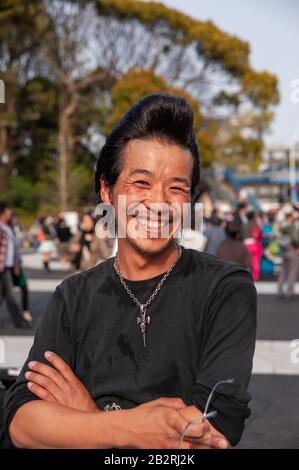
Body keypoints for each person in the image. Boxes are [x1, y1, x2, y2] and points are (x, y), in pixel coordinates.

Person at [3, 94, 256, 449]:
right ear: (107, 190)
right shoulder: (74, 296)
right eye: (141, 183)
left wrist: (88, 418)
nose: (158, 203)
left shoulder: (225, 289)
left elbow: (211, 434)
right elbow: (20, 421)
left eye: (177, 189)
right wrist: (130, 429)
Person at [0, 202, 32, 328]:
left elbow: (14, 248)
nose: (10, 213)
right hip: (3, 266)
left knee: (3, 295)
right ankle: (19, 321)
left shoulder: (8, 227)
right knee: (10, 295)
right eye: (8, 211)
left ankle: (19, 320)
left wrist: (16, 264)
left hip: (9, 266)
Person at [277, 210, 299, 299]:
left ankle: (280, 291)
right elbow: (295, 238)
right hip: (292, 249)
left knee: (283, 272)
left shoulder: (282, 225)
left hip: (283, 250)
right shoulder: (291, 225)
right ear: (290, 216)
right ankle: (289, 293)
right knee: (293, 271)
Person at [243, 211, 263, 282]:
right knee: (255, 261)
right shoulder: (255, 224)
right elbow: (258, 236)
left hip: (245, 244)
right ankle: (255, 277)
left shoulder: (244, 224)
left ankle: (245, 275)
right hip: (254, 244)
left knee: (245, 261)